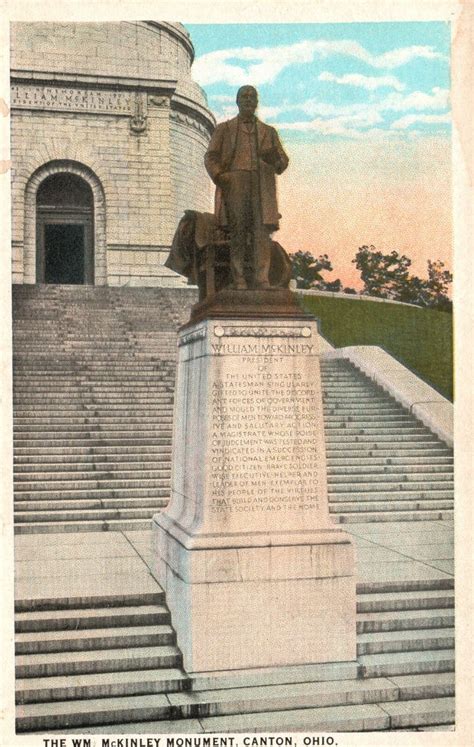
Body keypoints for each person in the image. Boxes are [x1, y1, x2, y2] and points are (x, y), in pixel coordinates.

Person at [204, 85, 289, 290]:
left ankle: (262, 279)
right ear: (237, 101)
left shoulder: (269, 132)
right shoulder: (225, 129)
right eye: (244, 96)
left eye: (252, 97)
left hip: (262, 185)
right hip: (236, 182)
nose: (248, 100)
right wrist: (221, 176)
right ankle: (239, 278)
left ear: (257, 102)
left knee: (261, 233)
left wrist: (275, 158)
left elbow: (283, 163)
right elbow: (210, 156)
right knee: (238, 231)